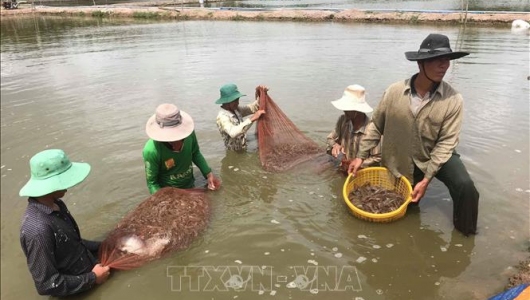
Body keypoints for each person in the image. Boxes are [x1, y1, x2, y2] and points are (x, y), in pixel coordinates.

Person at [348, 33, 479, 236]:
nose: (443, 66)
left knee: (466, 187)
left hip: (435, 154)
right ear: (421, 64)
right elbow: (376, 125)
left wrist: (427, 179)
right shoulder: (394, 92)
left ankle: (466, 236)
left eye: (446, 60)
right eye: (437, 60)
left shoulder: (453, 99)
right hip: (399, 155)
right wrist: (360, 156)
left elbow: (446, 142)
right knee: (404, 209)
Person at [19, 149, 110, 297]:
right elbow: (47, 284)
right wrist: (92, 278)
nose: (68, 187)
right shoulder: (37, 230)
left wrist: (104, 245)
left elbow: (73, 243)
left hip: (90, 272)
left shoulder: (57, 204)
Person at [143, 103, 221, 194]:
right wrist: (163, 200)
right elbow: (152, 183)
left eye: (180, 138)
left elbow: (195, 153)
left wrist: (208, 174)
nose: (177, 143)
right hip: (169, 193)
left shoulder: (189, 134)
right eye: (171, 140)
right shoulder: (151, 150)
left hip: (190, 185)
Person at [327, 84, 381, 173]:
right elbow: (330, 138)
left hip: (361, 173)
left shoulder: (372, 129)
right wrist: (334, 145)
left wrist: (357, 162)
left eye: (347, 109)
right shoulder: (343, 120)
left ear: (357, 110)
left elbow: (378, 157)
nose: (344, 110)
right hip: (342, 168)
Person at [215, 83, 266, 151]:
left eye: (238, 100)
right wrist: (252, 119)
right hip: (234, 152)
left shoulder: (236, 110)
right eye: (235, 101)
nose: (238, 103)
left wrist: (261, 94)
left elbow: (252, 108)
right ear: (227, 102)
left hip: (243, 145)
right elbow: (233, 133)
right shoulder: (222, 117)